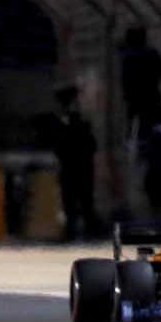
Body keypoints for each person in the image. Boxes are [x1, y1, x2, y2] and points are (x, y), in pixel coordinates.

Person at [48, 85, 99, 241]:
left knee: (80, 202)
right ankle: (77, 231)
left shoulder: (75, 123)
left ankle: (83, 231)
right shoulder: (69, 123)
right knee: (75, 202)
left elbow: (90, 145)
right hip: (76, 168)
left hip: (77, 168)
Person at [118, 27, 161, 142]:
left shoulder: (127, 55)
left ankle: (133, 143)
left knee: (133, 124)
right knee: (151, 126)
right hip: (150, 96)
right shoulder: (150, 53)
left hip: (133, 97)